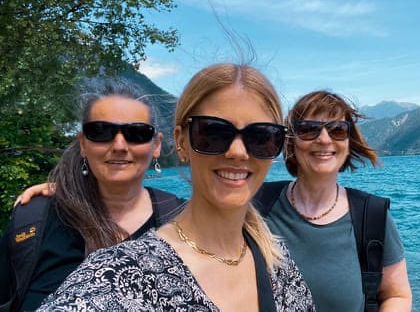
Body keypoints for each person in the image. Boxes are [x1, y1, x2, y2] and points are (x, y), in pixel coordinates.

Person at [36, 63, 315, 311]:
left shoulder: (277, 264)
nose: (238, 152)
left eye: (261, 136)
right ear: (181, 142)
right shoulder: (122, 277)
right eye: (214, 133)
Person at [0, 86, 186, 311]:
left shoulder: (184, 222)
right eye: (100, 132)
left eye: (137, 133)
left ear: (156, 145)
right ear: (83, 143)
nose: (119, 146)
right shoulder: (38, 218)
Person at [262, 90, 412, 311]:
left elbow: (397, 295)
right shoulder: (257, 205)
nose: (324, 139)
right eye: (309, 129)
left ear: (348, 142)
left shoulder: (372, 217)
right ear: (291, 141)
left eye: (337, 130)